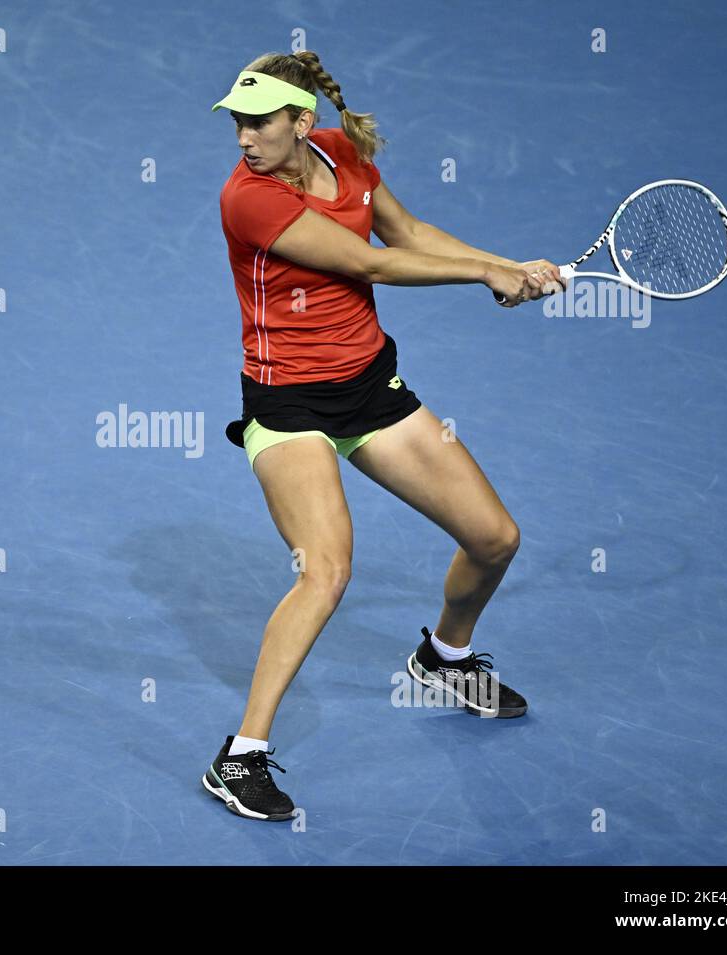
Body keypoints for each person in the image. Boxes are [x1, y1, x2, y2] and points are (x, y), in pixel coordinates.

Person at [201, 51, 565, 821]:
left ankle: (446, 658)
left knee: (495, 537)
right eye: (236, 120)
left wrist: (508, 264)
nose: (242, 136)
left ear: (303, 122)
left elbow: (408, 229)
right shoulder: (248, 199)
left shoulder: (344, 154)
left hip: (370, 392)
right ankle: (242, 758)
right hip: (289, 408)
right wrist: (484, 276)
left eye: (258, 121)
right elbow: (376, 263)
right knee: (325, 572)